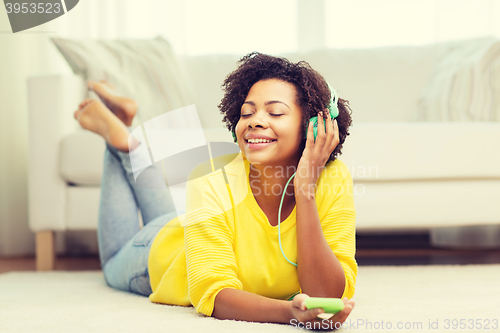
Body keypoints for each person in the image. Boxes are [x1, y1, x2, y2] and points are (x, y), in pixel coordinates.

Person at [73, 52, 356, 329]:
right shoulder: (211, 178)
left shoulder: (333, 178)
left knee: (179, 213)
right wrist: (287, 313)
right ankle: (121, 143)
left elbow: (328, 293)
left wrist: (305, 191)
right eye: (247, 112)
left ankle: (126, 130)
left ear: (313, 128)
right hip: (160, 252)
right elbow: (213, 294)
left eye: (275, 112)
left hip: (191, 223)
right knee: (111, 266)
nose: (255, 120)